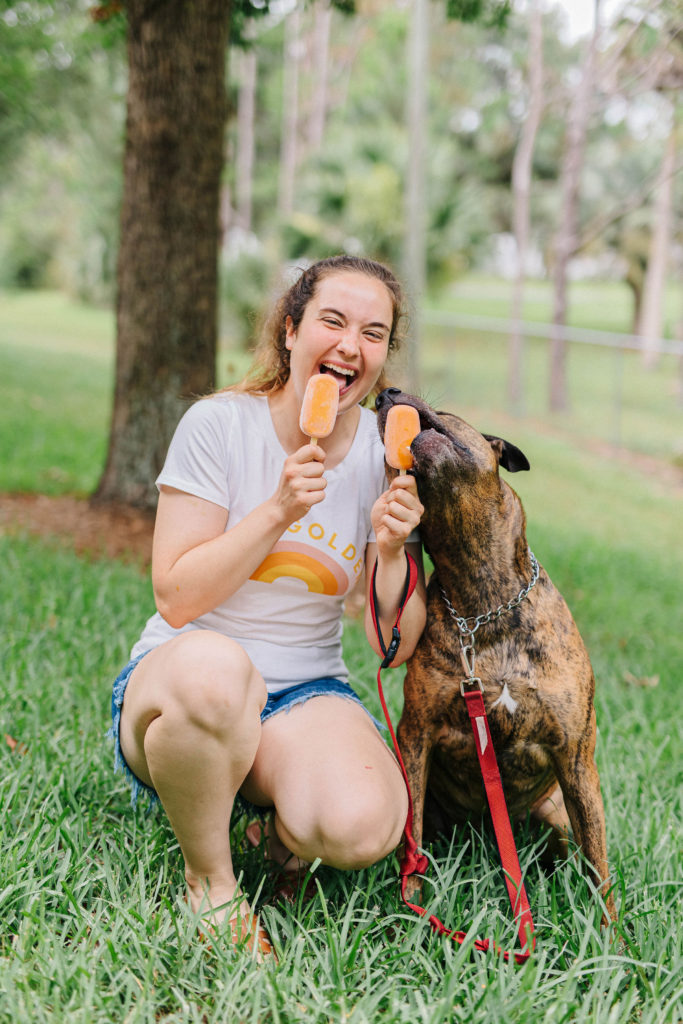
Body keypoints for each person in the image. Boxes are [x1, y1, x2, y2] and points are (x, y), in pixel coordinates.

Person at [109, 254, 426, 957]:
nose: (350, 345)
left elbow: (394, 648)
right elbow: (179, 595)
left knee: (362, 827)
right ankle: (211, 882)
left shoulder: (383, 457)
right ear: (290, 330)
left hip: (304, 690)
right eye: (332, 321)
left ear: (383, 356)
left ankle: (272, 828)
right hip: (181, 686)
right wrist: (278, 509)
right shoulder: (219, 425)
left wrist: (395, 550)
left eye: (373, 333)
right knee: (217, 673)